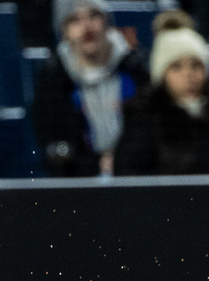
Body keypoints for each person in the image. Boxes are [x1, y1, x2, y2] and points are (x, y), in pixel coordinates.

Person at [32, 0, 149, 177]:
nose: (86, 26)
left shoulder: (135, 67)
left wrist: (119, 162)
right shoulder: (53, 77)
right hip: (81, 181)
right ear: (64, 33)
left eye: (93, 15)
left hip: (137, 174)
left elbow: (151, 133)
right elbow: (55, 150)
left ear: (108, 22)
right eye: (74, 20)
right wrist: (95, 166)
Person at [115, 16, 209, 175]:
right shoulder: (142, 117)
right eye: (176, 66)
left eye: (196, 65)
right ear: (161, 75)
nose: (188, 75)